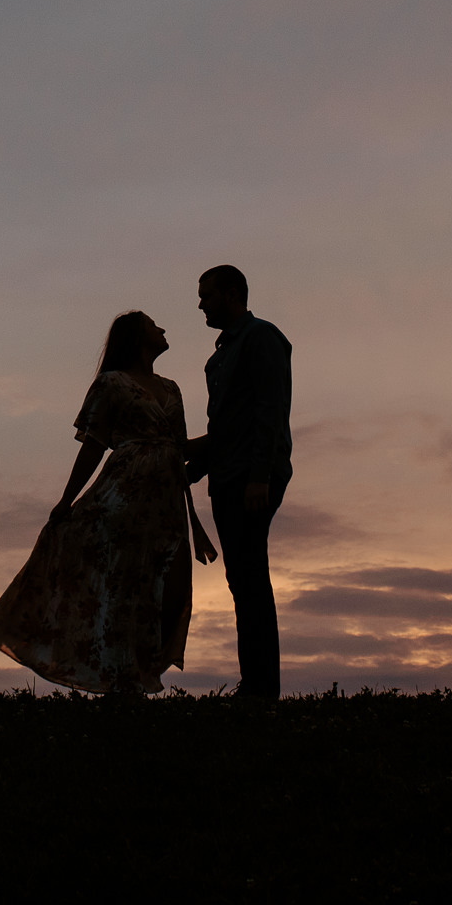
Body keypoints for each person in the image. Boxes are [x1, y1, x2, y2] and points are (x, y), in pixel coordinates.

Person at [0, 311, 216, 693]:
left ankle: (138, 672)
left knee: (166, 588)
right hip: (124, 494)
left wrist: (222, 435)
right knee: (126, 586)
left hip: (167, 502)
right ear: (136, 337)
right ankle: (123, 681)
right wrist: (66, 500)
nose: (162, 328)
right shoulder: (111, 383)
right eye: (153, 324)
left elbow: (180, 447)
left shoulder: (172, 388)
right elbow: (93, 445)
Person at [185, 265, 293, 699]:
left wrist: (259, 477)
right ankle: (257, 685)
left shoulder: (261, 337)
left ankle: (261, 689)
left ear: (232, 294)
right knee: (242, 580)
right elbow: (228, 427)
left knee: (250, 578)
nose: (200, 305)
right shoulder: (219, 356)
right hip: (228, 476)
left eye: (206, 296)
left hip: (250, 477)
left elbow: (270, 409)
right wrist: (192, 463)